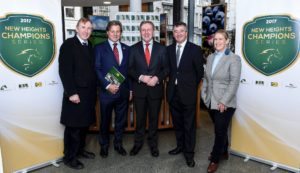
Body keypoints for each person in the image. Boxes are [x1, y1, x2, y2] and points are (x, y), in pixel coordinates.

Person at [201, 29, 241, 173]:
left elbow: (234, 82)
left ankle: (215, 159)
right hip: (211, 101)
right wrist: (204, 95)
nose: (217, 42)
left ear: (227, 41)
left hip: (226, 102)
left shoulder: (233, 58)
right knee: (221, 129)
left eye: (220, 39)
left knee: (219, 131)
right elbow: (207, 78)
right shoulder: (210, 57)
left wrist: (223, 102)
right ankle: (224, 150)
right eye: (215, 39)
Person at [58, 17, 97, 170]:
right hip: (75, 95)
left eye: (89, 28)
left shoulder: (89, 45)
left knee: (83, 126)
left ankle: (79, 151)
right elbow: (64, 71)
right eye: (83, 27)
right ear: (76, 28)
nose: (86, 31)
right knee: (73, 128)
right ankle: (69, 157)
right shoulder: (68, 45)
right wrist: (71, 92)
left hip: (88, 96)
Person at [128, 21, 169, 157]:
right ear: (140, 32)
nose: (146, 32)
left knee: (153, 120)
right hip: (139, 91)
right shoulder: (133, 49)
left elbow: (166, 69)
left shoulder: (162, 49)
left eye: (149, 30)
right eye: (143, 30)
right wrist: (141, 77)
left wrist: (157, 78)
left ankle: (153, 145)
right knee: (139, 120)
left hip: (155, 91)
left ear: (153, 31)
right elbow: (130, 69)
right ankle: (138, 144)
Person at [166, 22, 204, 167]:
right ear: (173, 33)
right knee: (178, 124)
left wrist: (188, 87)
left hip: (187, 94)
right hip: (172, 93)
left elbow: (199, 72)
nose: (178, 34)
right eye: (176, 31)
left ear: (186, 33)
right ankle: (180, 146)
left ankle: (189, 154)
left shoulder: (195, 49)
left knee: (189, 126)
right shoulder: (169, 50)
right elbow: (168, 69)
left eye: (181, 31)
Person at [94, 20, 131, 158]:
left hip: (123, 92)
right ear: (107, 33)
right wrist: (108, 85)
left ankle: (118, 144)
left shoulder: (127, 49)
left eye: (118, 31)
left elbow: (129, 71)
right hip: (107, 92)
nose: (115, 34)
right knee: (105, 121)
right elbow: (97, 69)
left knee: (121, 121)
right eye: (112, 31)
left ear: (121, 33)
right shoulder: (99, 48)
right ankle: (104, 146)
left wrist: (131, 90)